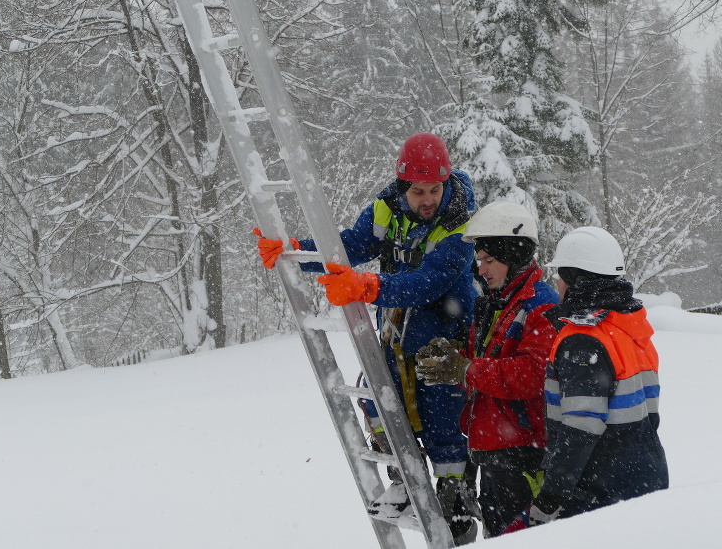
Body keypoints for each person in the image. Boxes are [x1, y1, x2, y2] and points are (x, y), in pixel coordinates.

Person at [253, 133, 479, 544]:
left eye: (434, 190)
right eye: (418, 191)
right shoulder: (386, 208)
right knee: (380, 401)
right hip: (396, 330)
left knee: (442, 414)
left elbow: (430, 282)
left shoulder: (462, 223)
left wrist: (371, 287)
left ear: (446, 184)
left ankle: (455, 496)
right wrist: (295, 250)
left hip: (445, 332)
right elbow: (350, 246)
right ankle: (403, 477)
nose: (427, 199)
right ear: (402, 185)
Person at [414, 201, 559, 538]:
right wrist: (454, 356)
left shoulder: (541, 305)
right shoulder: (495, 302)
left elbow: (532, 376)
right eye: (479, 261)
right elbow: (489, 357)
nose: (481, 270)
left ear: (514, 254)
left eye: (488, 260)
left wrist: (466, 369)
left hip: (524, 456)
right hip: (493, 450)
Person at [508, 226, 668, 530]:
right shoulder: (629, 328)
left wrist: (550, 497)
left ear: (575, 279)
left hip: (599, 492)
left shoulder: (583, 340)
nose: (557, 285)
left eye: (560, 277)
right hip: (644, 479)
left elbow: (581, 427)